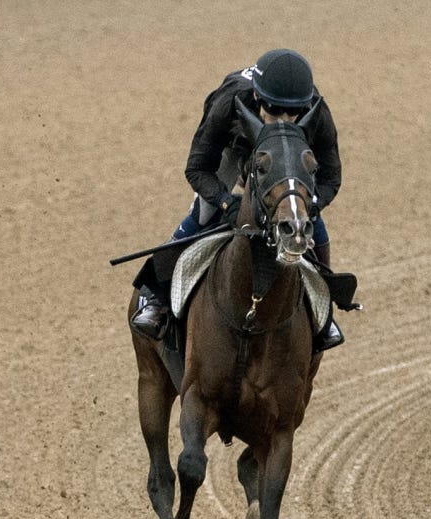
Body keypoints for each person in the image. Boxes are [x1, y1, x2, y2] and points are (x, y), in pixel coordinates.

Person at [130, 48, 345, 350]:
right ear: (257, 99)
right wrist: (224, 201)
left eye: (292, 114)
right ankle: (157, 297)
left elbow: (330, 177)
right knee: (202, 215)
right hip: (235, 152)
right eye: (274, 112)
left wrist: (307, 207)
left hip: (285, 163)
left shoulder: (316, 110)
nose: (281, 122)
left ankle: (325, 306)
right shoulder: (228, 103)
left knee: (307, 220)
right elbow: (198, 168)